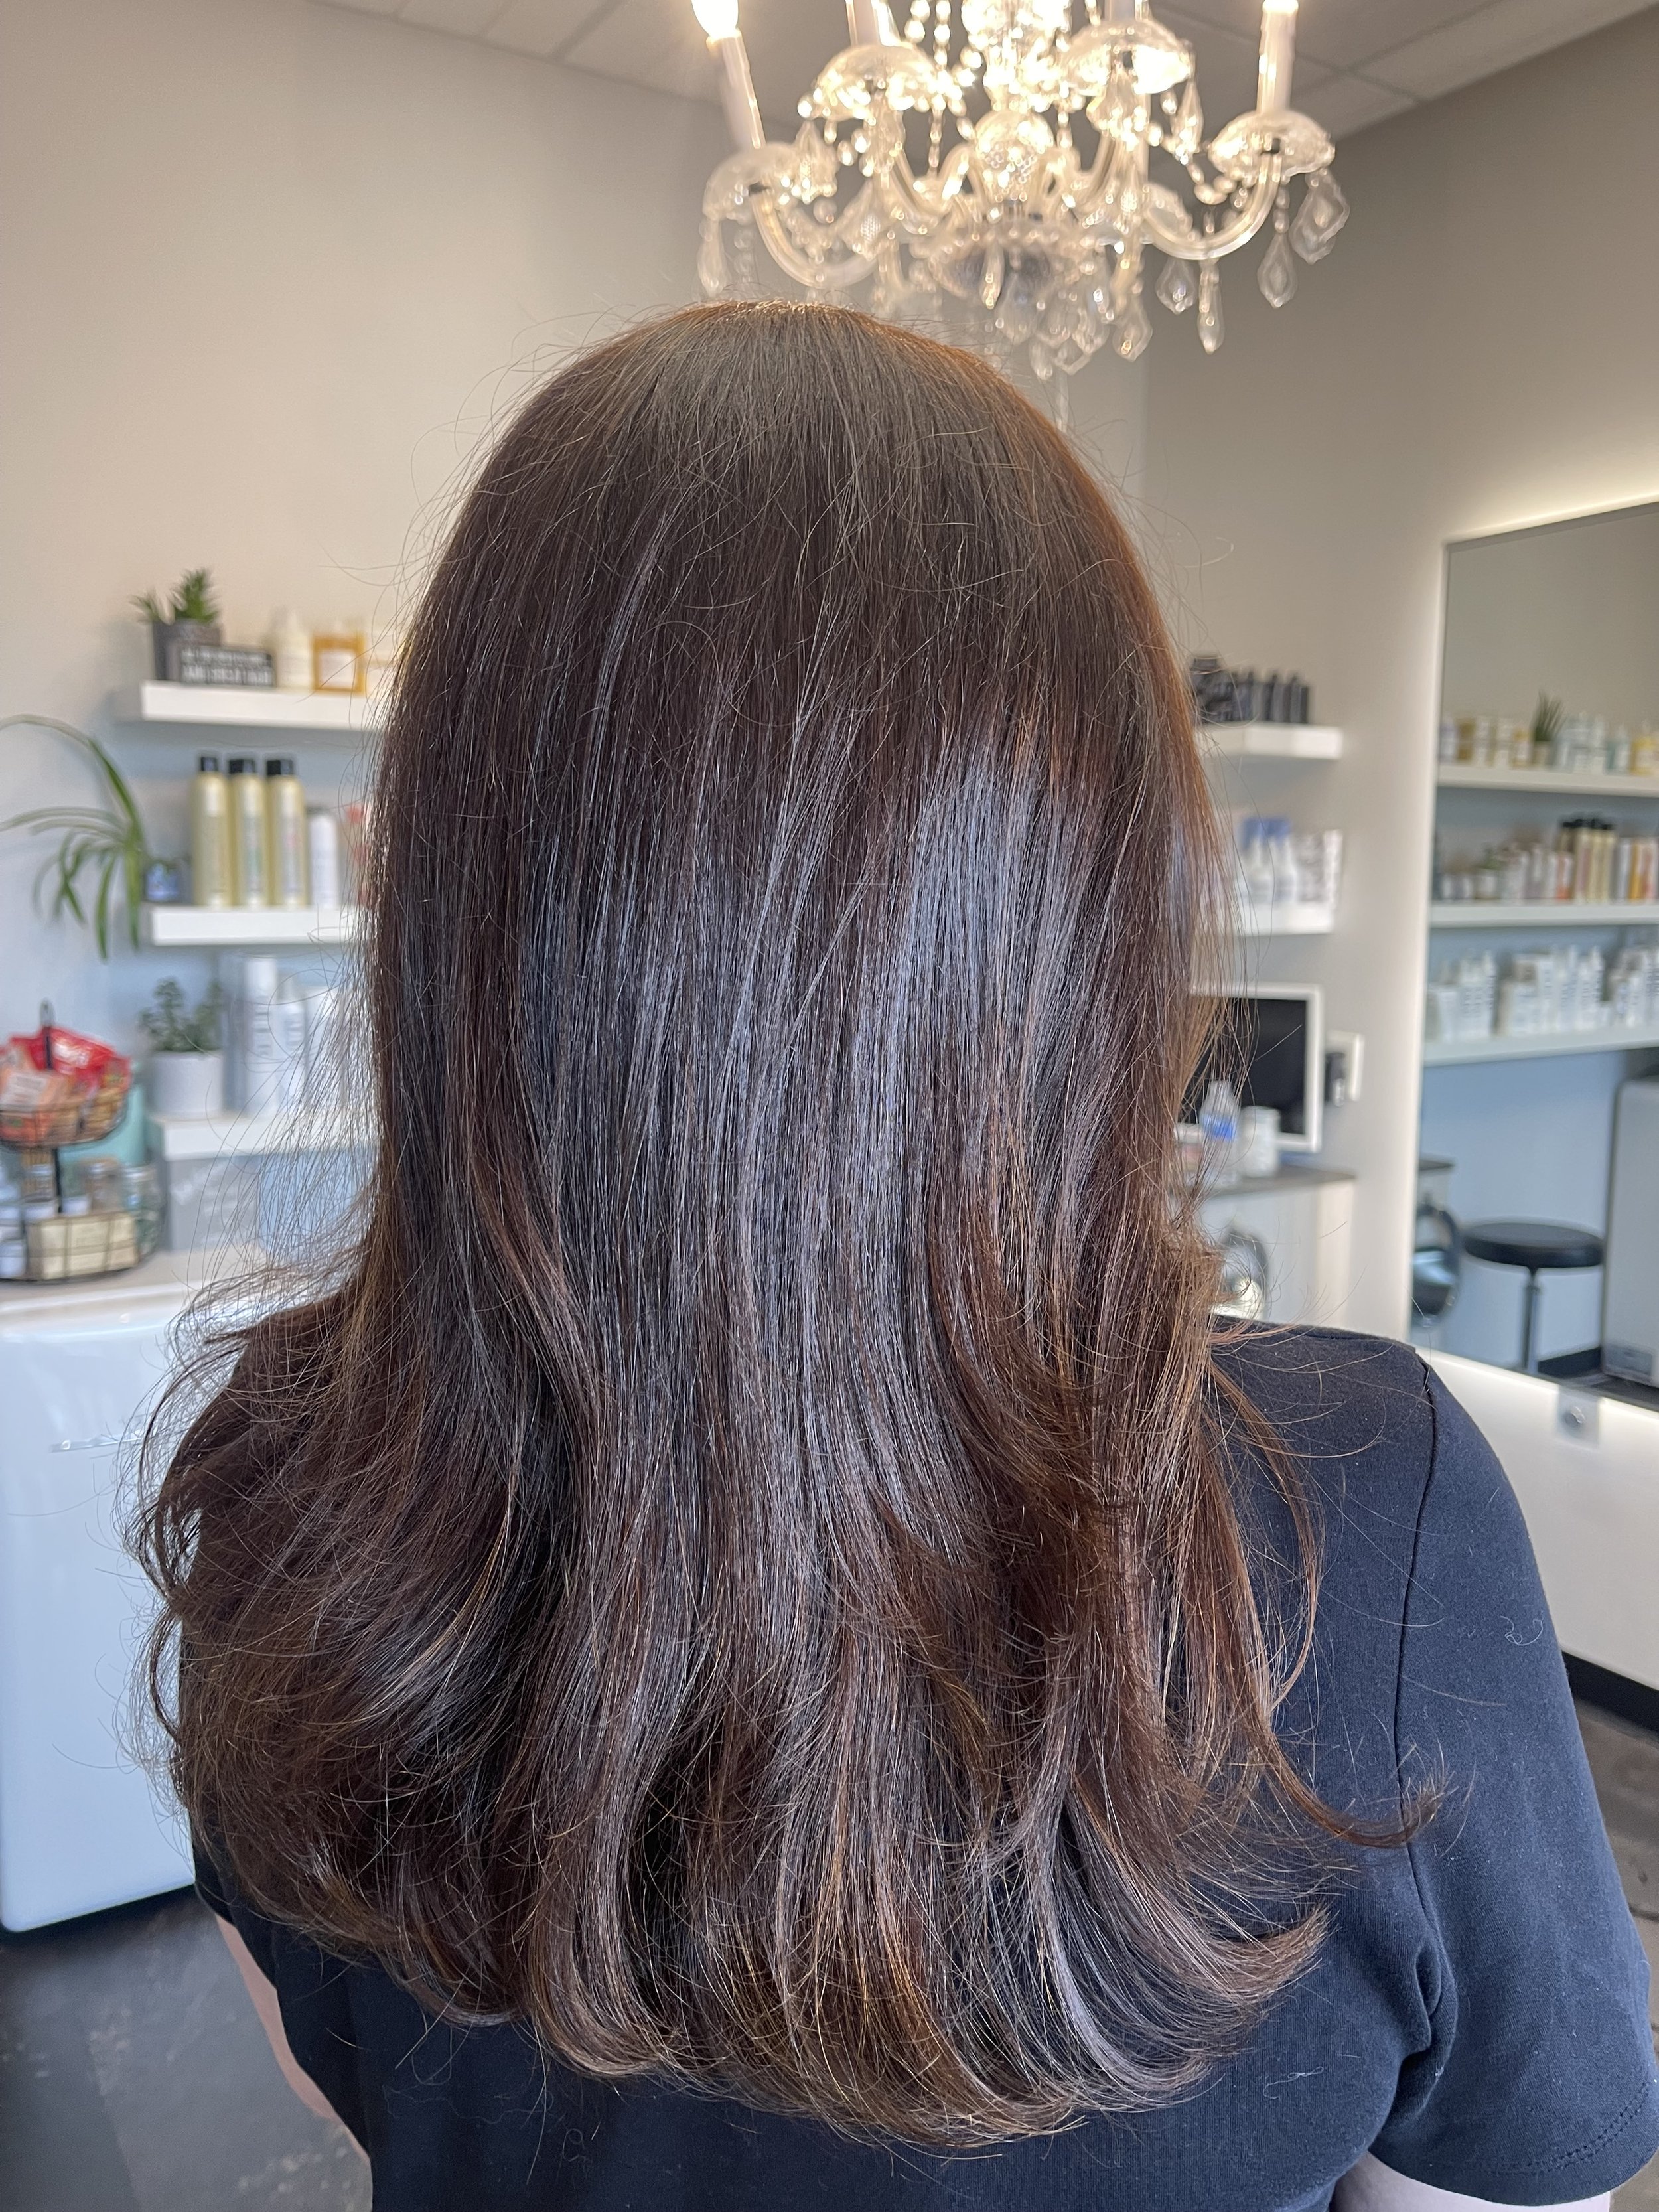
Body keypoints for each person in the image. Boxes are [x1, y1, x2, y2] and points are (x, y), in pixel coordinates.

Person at [139, 303, 1658, 2212]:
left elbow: (326, 2061)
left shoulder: (291, 1484)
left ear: (463, 896)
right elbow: (1499, 2197)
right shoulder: (1349, 1508)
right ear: (1088, 909)